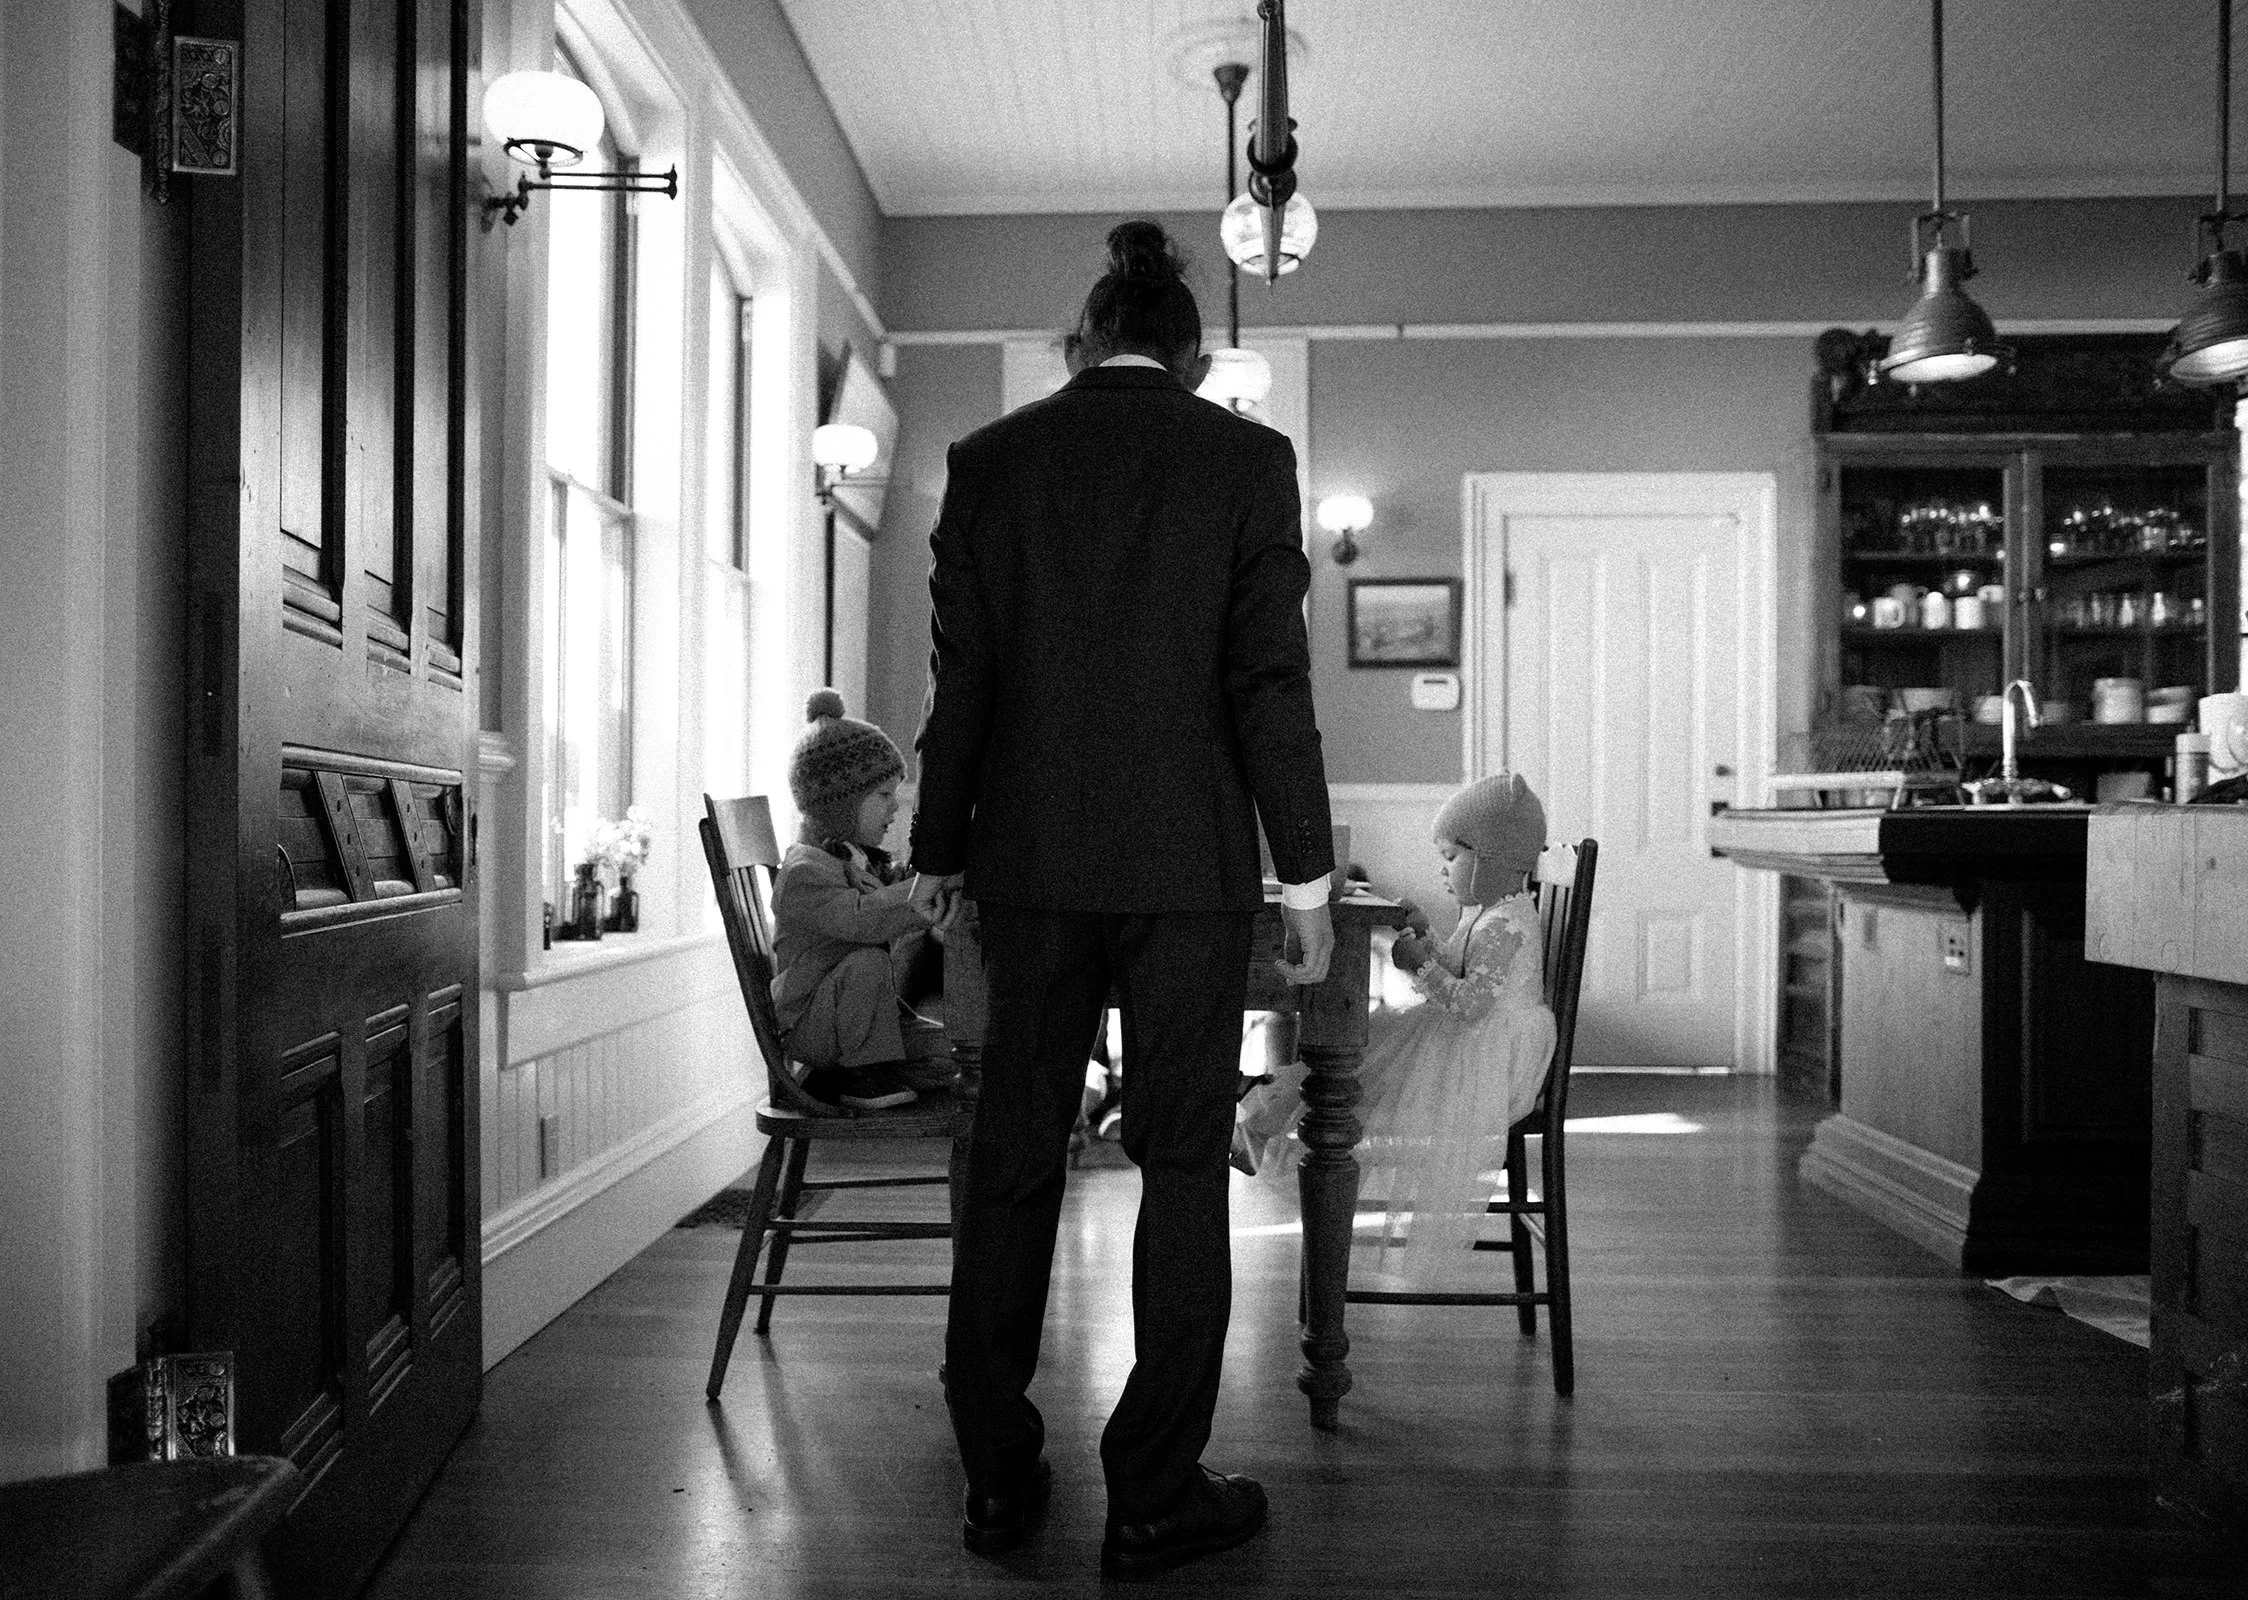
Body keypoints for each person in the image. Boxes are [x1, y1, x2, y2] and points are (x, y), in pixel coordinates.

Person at [908, 219, 1335, 1580]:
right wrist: (1309, 875)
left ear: (1079, 344)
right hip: (1190, 878)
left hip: (1025, 871)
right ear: (1198, 357)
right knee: (1179, 1171)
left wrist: (935, 848)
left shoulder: (991, 462)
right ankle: (1153, 1494)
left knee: (1013, 1163)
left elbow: (959, 681)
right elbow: (1270, 685)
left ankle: (994, 1479)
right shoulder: (1249, 461)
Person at [1240, 771, 1557, 1287]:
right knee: (1350, 1062)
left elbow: (1470, 1003)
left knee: (1348, 1072)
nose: (1443, 868)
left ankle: (1262, 1120)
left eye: (1452, 857)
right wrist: (1426, 937)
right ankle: (1260, 1117)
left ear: (1491, 858)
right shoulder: (1494, 913)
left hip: (1482, 1064)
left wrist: (1418, 966)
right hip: (1468, 1046)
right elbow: (1462, 968)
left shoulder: (1507, 926)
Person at [769, 690, 952, 1111]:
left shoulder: (853, 858)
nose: (895, 807)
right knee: (867, 961)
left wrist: (925, 879)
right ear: (840, 805)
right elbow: (861, 920)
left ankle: (873, 1067)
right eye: (884, 796)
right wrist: (919, 892)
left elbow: (886, 894)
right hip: (813, 1023)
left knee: (954, 1051)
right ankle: (861, 1077)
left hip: (853, 1018)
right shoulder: (804, 872)